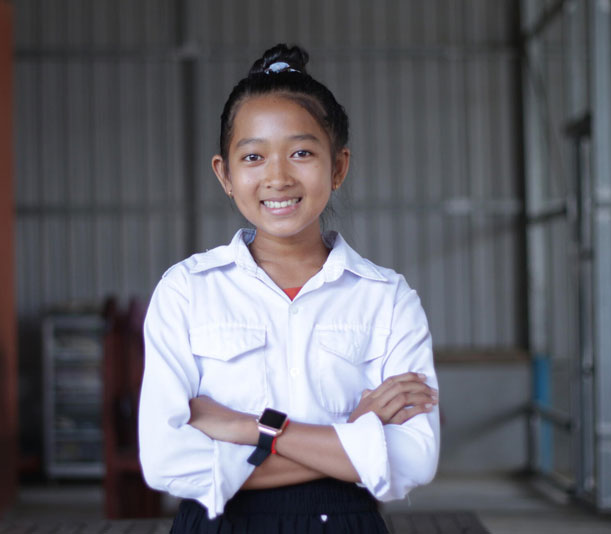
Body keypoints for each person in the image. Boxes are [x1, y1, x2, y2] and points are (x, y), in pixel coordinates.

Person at [139, 43, 440, 533]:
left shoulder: (387, 298)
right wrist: (353, 441)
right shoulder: (186, 291)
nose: (277, 177)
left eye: (301, 152)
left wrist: (249, 428)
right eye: (253, 156)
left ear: (338, 167)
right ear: (226, 175)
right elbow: (165, 462)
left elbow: (413, 461)